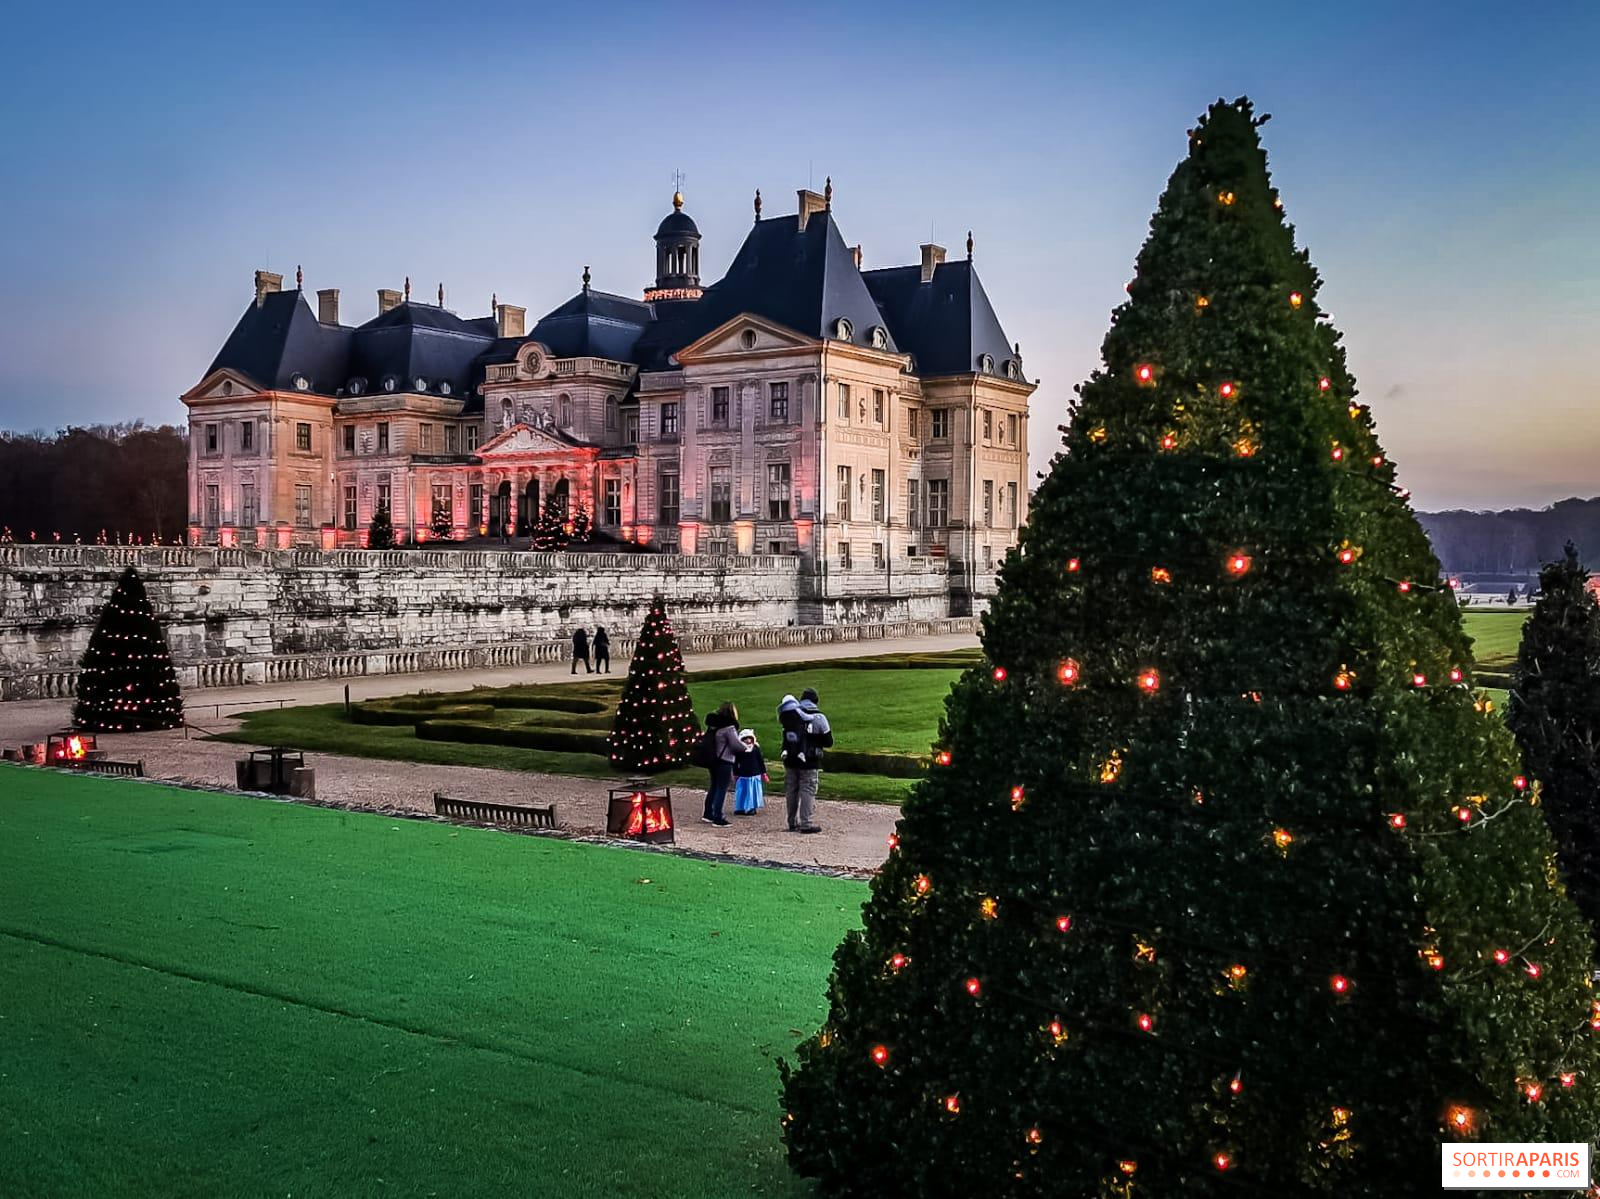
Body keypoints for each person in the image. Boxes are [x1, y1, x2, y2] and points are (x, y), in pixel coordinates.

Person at [778, 688, 833, 834]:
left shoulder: (791, 715)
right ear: (816, 701)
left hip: (790, 760)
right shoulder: (819, 717)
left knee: (792, 790)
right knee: (807, 790)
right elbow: (829, 741)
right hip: (810, 761)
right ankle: (806, 824)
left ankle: (791, 822)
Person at [701, 702, 743, 827]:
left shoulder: (714, 726)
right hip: (725, 760)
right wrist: (748, 747)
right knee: (721, 789)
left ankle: (708, 813)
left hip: (713, 760)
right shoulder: (729, 728)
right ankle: (718, 817)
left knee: (714, 786)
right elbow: (736, 745)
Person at [732, 728, 768, 815]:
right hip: (743, 775)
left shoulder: (755, 749)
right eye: (745, 739)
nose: (748, 741)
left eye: (749, 739)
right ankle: (740, 807)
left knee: (752, 792)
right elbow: (736, 762)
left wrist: (763, 773)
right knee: (742, 792)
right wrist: (736, 773)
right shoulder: (740, 750)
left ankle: (751, 807)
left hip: (754, 774)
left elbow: (760, 761)